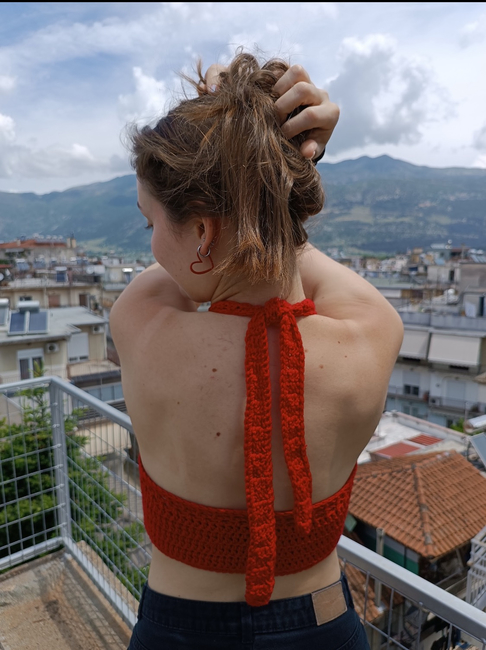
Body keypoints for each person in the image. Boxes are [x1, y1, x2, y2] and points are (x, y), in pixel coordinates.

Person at [110, 52, 404, 650]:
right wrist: (274, 172)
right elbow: (283, 254)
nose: (152, 242)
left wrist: (250, 170)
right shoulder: (374, 330)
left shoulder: (140, 325)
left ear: (201, 231)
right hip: (325, 628)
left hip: (178, 632)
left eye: (150, 223)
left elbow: (180, 272)